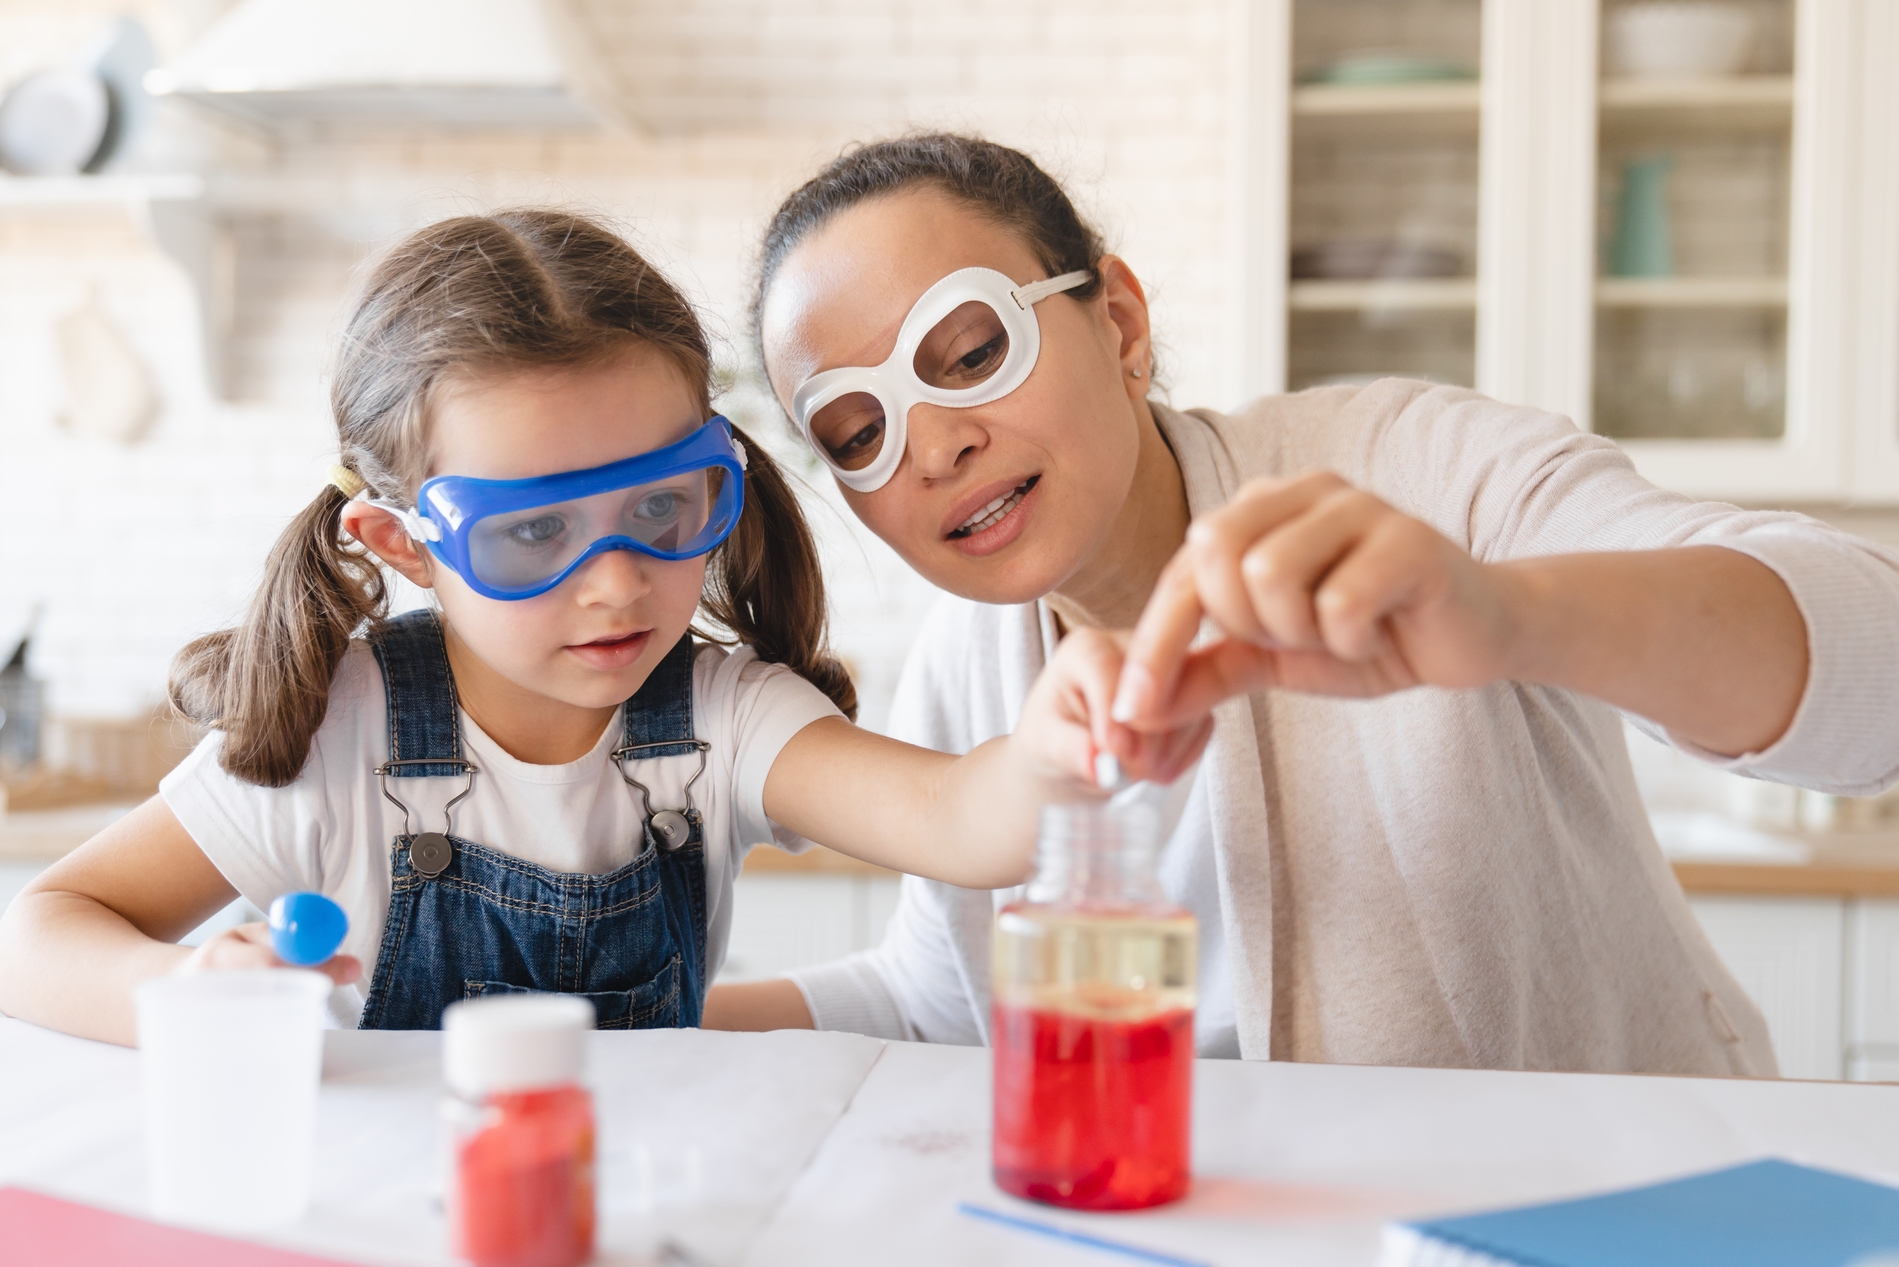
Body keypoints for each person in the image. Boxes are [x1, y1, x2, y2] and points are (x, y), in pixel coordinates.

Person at [705, 133, 1899, 1075]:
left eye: (969, 354)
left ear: (1118, 323)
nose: (932, 445)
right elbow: (938, 1002)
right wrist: (615, 1024)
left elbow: (1875, 674)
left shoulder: (1415, 471)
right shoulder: (967, 666)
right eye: (857, 431)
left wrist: (1507, 615)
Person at [0, 209, 1197, 1046]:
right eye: (534, 535)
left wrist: (1057, 737)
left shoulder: (720, 713)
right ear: (405, 543)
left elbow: (963, 821)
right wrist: (183, 988)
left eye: (662, 509)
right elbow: (42, 932)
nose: (619, 585)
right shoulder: (337, 731)